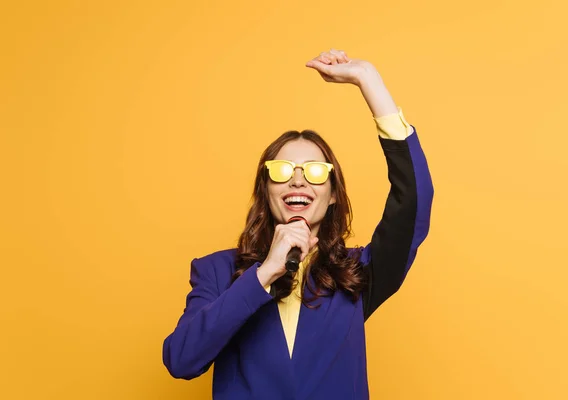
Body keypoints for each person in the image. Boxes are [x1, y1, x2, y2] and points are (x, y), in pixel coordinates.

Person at [162, 48, 434, 399]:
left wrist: (369, 80)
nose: (298, 181)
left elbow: (413, 201)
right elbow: (181, 360)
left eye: (316, 172)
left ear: (333, 193)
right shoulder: (216, 271)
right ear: (266, 188)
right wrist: (263, 275)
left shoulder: (358, 273)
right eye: (283, 171)